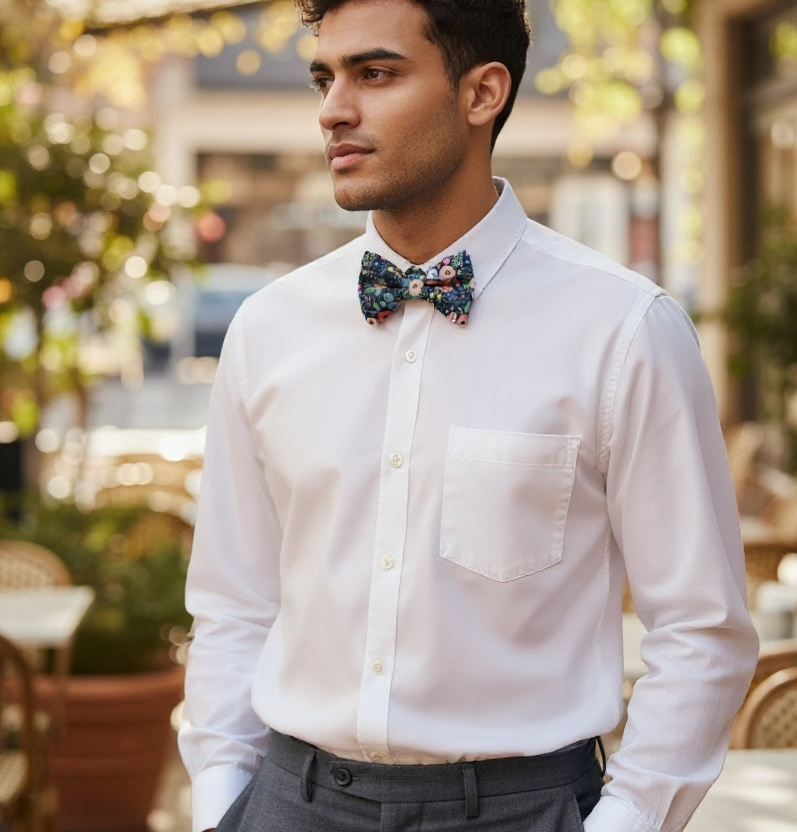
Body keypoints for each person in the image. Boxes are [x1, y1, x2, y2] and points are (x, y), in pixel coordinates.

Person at [178, 1, 759, 830]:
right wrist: (219, 805)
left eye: (374, 74)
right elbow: (234, 606)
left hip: (521, 809)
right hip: (288, 801)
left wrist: (627, 819)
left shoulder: (623, 329)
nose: (333, 109)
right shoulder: (269, 329)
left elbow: (702, 629)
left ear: (482, 92)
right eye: (324, 77)